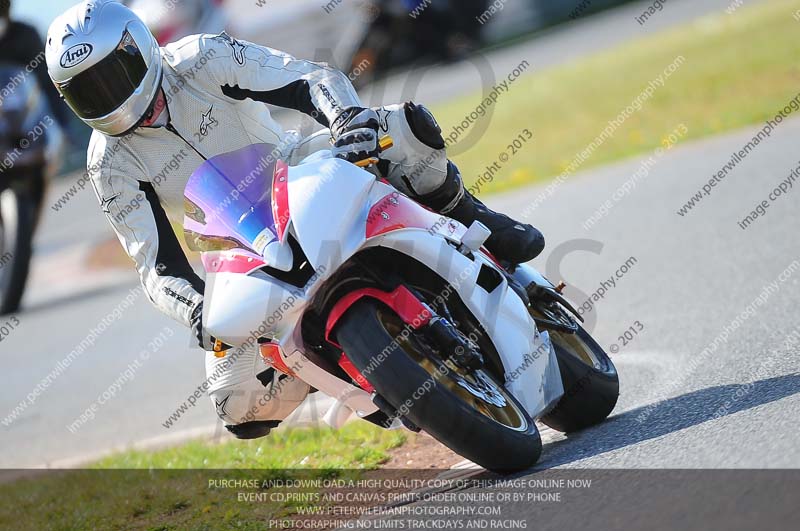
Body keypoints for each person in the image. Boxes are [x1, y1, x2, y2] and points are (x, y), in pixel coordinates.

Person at [45, 0, 544, 439]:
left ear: (139, 48)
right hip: (240, 251)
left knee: (400, 126)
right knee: (236, 405)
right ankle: (334, 366)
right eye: (89, 91)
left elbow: (310, 78)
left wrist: (348, 119)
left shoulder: (202, 56)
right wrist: (196, 311)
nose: (109, 98)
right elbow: (156, 268)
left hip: (300, 171)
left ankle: (470, 213)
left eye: (113, 77)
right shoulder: (107, 163)